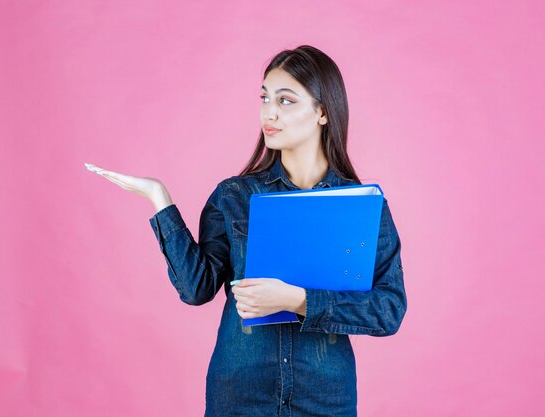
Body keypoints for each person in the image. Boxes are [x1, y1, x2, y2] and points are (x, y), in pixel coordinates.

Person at [85, 45, 407, 417]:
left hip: (325, 397)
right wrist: (160, 199)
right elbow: (196, 288)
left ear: (322, 112)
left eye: (286, 101)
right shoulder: (234, 196)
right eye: (265, 98)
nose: (269, 112)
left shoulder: (363, 207)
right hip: (239, 395)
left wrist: (297, 299)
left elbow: (388, 311)